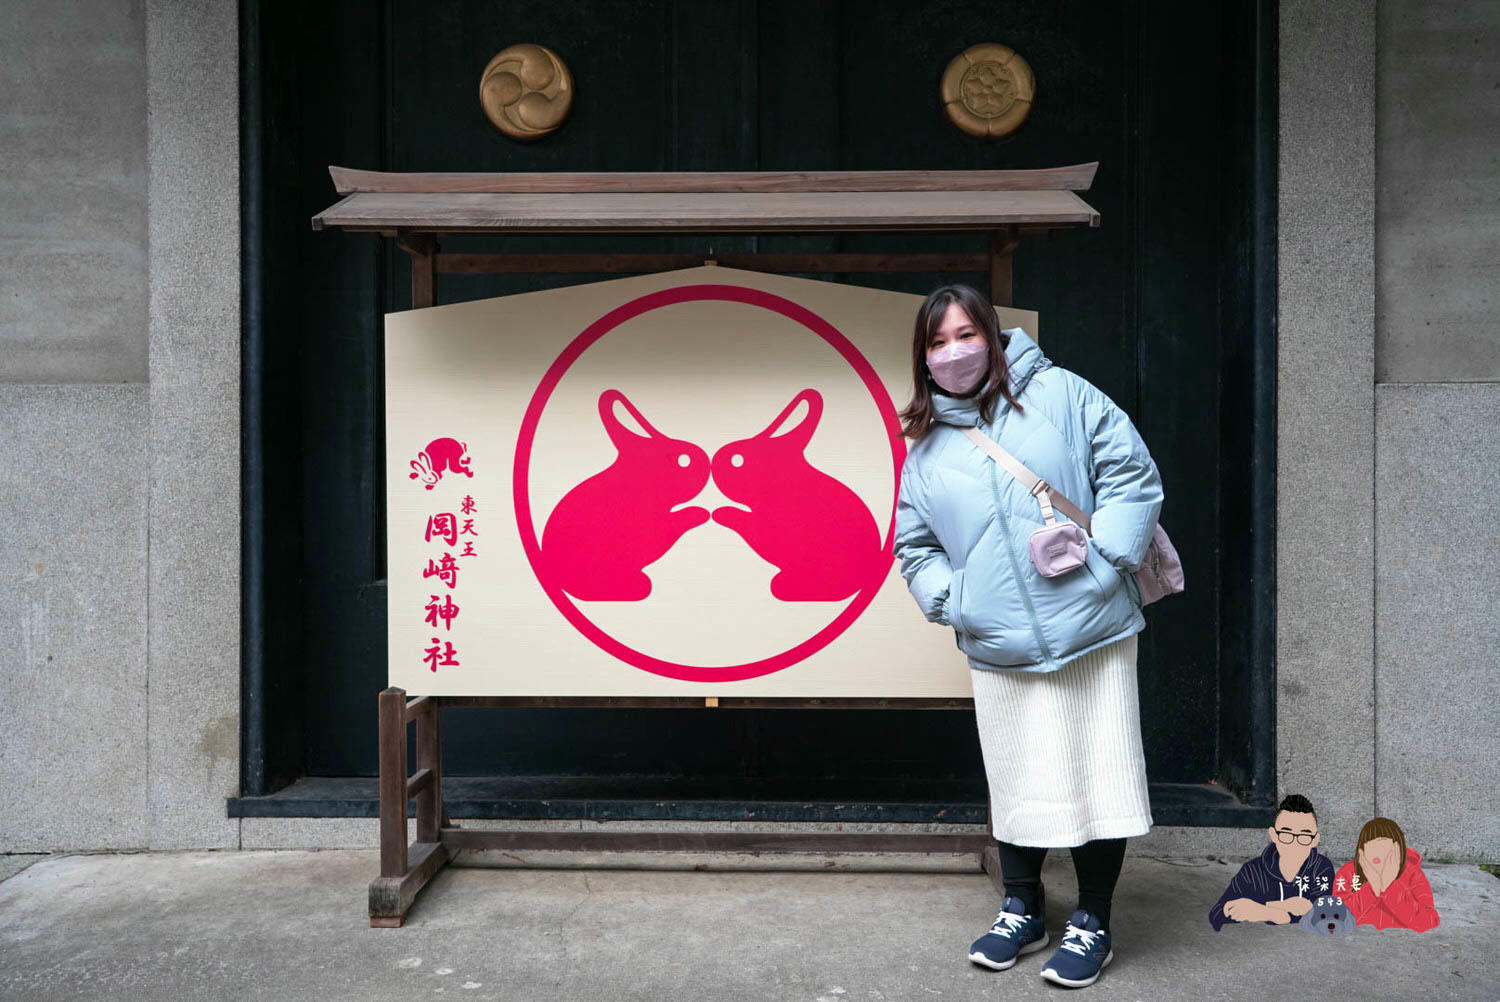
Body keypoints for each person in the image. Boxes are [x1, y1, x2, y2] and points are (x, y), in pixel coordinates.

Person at [892, 284, 1163, 990]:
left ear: (993, 333)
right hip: (999, 640)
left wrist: (1109, 564)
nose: (955, 352)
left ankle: (1094, 919)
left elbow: (1131, 476)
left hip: (1092, 627)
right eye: (938, 342)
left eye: (965, 334)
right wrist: (956, 603)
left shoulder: (1065, 395)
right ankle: (1023, 907)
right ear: (923, 358)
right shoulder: (925, 452)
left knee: (1097, 771)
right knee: (1016, 775)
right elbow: (914, 546)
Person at [1208, 793, 1336, 931]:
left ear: (1315, 840)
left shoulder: (1321, 868)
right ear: (1273, 835)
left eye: (1304, 836)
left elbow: (1327, 915)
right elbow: (1217, 914)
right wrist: (1275, 912)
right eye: (1286, 835)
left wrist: (1267, 910)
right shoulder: (1253, 871)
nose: (1294, 844)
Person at [1332, 817, 1440, 931]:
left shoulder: (1413, 874)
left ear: (1397, 848)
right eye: (1369, 844)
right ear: (1361, 850)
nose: (1375, 851)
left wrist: (1390, 886)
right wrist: (1372, 888)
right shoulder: (1347, 874)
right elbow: (1335, 917)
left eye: (1382, 844)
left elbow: (1428, 921)